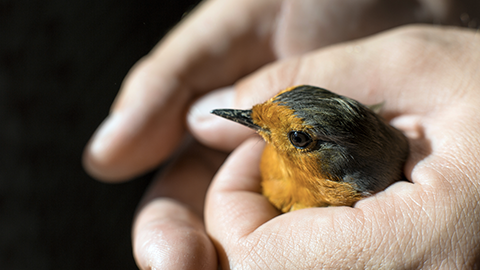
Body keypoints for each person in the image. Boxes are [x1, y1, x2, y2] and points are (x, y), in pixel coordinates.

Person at [83, 1, 480, 269]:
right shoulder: (276, 162)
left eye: (300, 139)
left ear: (340, 163)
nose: (257, 128)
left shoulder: (367, 190)